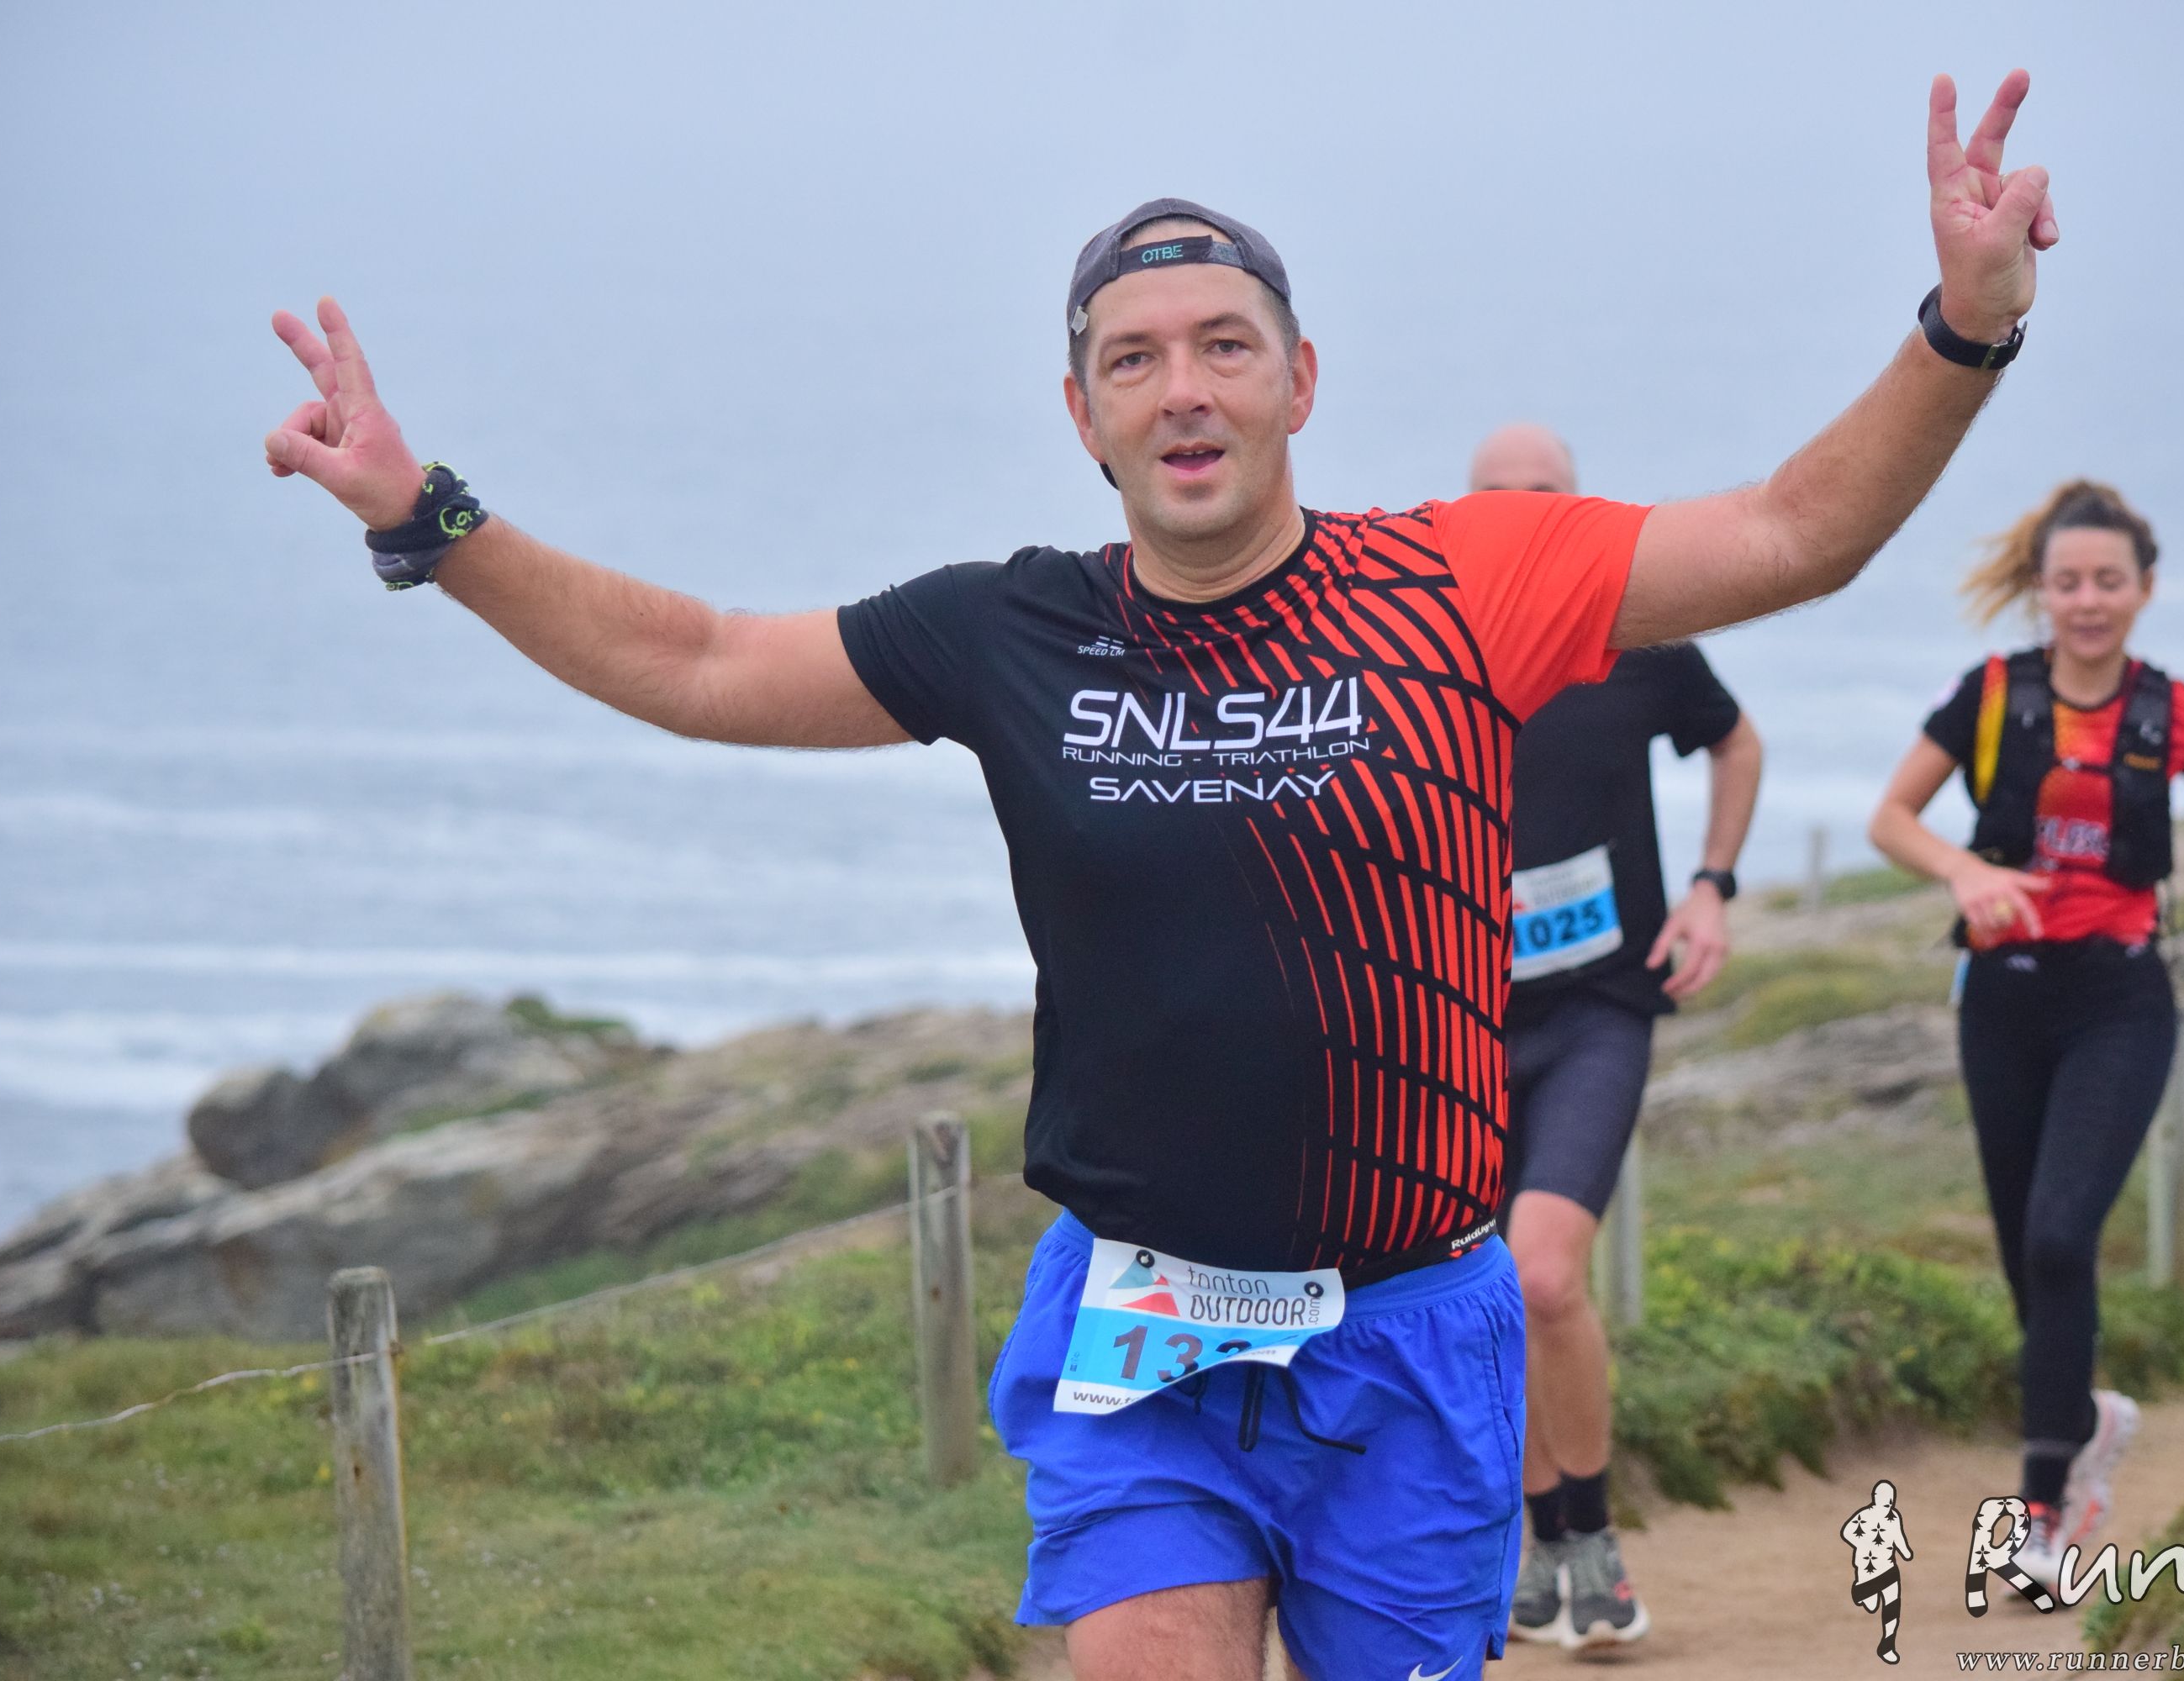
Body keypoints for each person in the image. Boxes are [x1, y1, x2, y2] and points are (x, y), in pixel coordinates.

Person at [265, 72, 2057, 1681]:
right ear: (1082, 413)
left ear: (1299, 381)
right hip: (1144, 1328)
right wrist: (431, 520)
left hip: (1411, 1334)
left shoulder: (1461, 580)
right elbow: (704, 660)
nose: (1181, 386)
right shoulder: (1011, 633)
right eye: (1132, 358)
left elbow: (1793, 531)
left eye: (1222, 344)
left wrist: (1963, 325)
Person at [1867, 480, 2184, 1589]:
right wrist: (1964, 870)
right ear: (2040, 592)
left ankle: (2045, 1515)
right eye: (2068, 582)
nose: (2088, 601)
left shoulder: (2177, 713)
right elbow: (1891, 818)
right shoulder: (1989, 696)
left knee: (2062, 1240)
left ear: (2144, 589)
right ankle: (2086, 1419)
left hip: (2120, 1001)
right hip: (2001, 998)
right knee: (2029, 1260)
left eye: (2108, 581)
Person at [1467, 424, 1763, 1648]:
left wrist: (1712, 888)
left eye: (1549, 494)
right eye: (1501, 496)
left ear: (1580, 508)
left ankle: (1589, 1539)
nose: (1526, 512)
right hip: (1462, 1024)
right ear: (1464, 512)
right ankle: (1543, 1547)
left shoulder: (1635, 637)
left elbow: (1734, 740)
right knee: (1493, 1296)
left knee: (1543, 1270)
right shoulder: (1424, 643)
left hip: (1600, 1009)